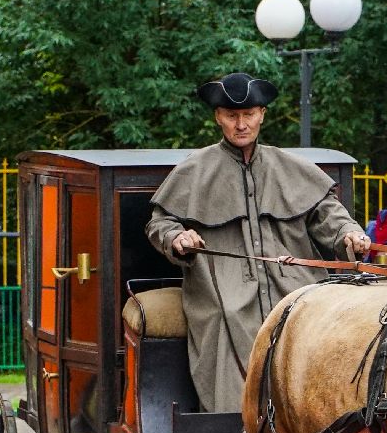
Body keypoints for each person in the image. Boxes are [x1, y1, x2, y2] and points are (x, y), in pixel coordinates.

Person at [146, 72, 371, 412]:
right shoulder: (195, 169)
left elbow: (327, 214)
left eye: (249, 114)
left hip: (297, 292)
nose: (241, 124)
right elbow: (160, 223)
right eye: (232, 116)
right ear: (218, 117)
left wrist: (349, 233)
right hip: (224, 294)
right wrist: (177, 237)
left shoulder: (291, 167)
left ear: (262, 114)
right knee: (226, 325)